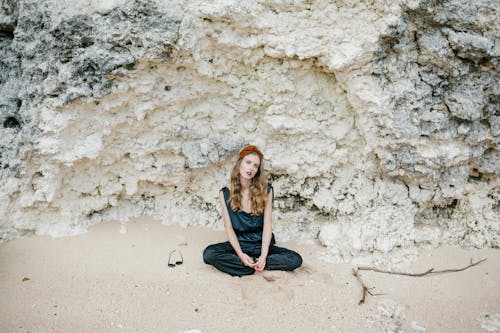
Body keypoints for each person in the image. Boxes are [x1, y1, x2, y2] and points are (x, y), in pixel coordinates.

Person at [203, 145, 302, 280]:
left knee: (295, 259)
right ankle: (250, 264)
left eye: (255, 166)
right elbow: (229, 228)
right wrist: (240, 254)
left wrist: (263, 255)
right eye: (248, 162)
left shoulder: (267, 190)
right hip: (240, 243)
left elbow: (267, 225)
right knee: (209, 254)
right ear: (239, 164)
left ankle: (253, 264)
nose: (251, 168)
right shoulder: (225, 193)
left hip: (260, 243)